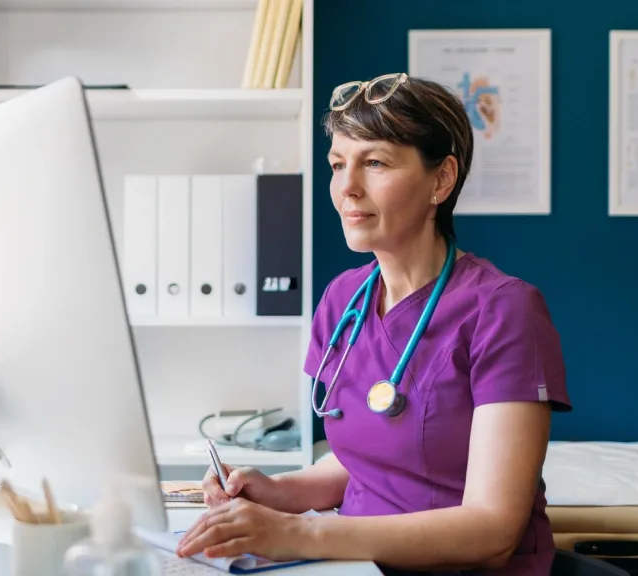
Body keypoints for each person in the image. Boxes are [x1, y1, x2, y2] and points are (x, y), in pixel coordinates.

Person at [174, 73, 571, 576]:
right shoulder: (343, 300)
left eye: (376, 163)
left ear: (441, 180)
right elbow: (366, 461)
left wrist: (301, 531)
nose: (347, 188)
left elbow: (491, 532)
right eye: (338, 165)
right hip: (355, 565)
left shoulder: (504, 310)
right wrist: (278, 492)